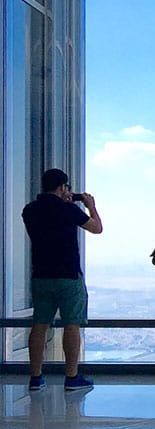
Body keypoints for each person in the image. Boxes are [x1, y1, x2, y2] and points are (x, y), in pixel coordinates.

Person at [21, 168, 103, 393]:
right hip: (68, 275)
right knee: (72, 324)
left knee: (40, 325)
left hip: (41, 275)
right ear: (62, 187)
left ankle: (36, 378)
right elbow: (97, 228)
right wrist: (90, 206)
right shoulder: (69, 210)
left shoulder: (29, 210)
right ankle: (72, 377)